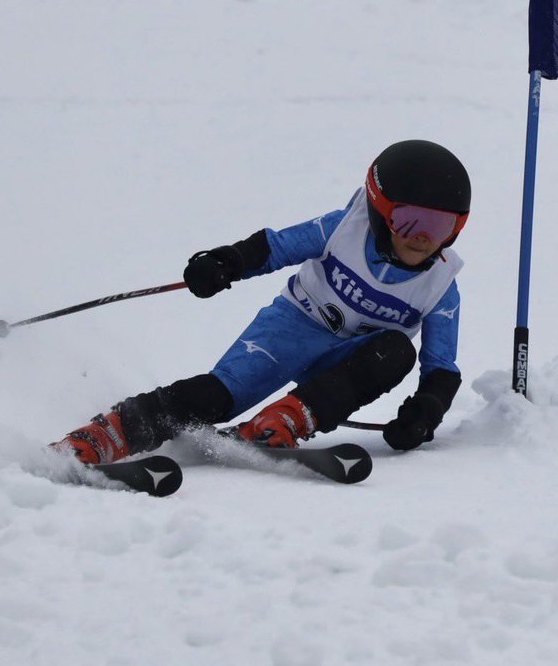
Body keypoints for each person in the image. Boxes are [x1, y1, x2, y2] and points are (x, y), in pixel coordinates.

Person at [51, 140, 471, 464]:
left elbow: (441, 368)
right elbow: (275, 247)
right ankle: (107, 436)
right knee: (219, 398)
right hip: (292, 328)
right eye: (409, 220)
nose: (423, 237)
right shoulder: (345, 229)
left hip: (346, 362)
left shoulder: (440, 285)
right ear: (380, 212)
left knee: (396, 351)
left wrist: (424, 414)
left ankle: (282, 422)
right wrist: (224, 263)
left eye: (441, 225)